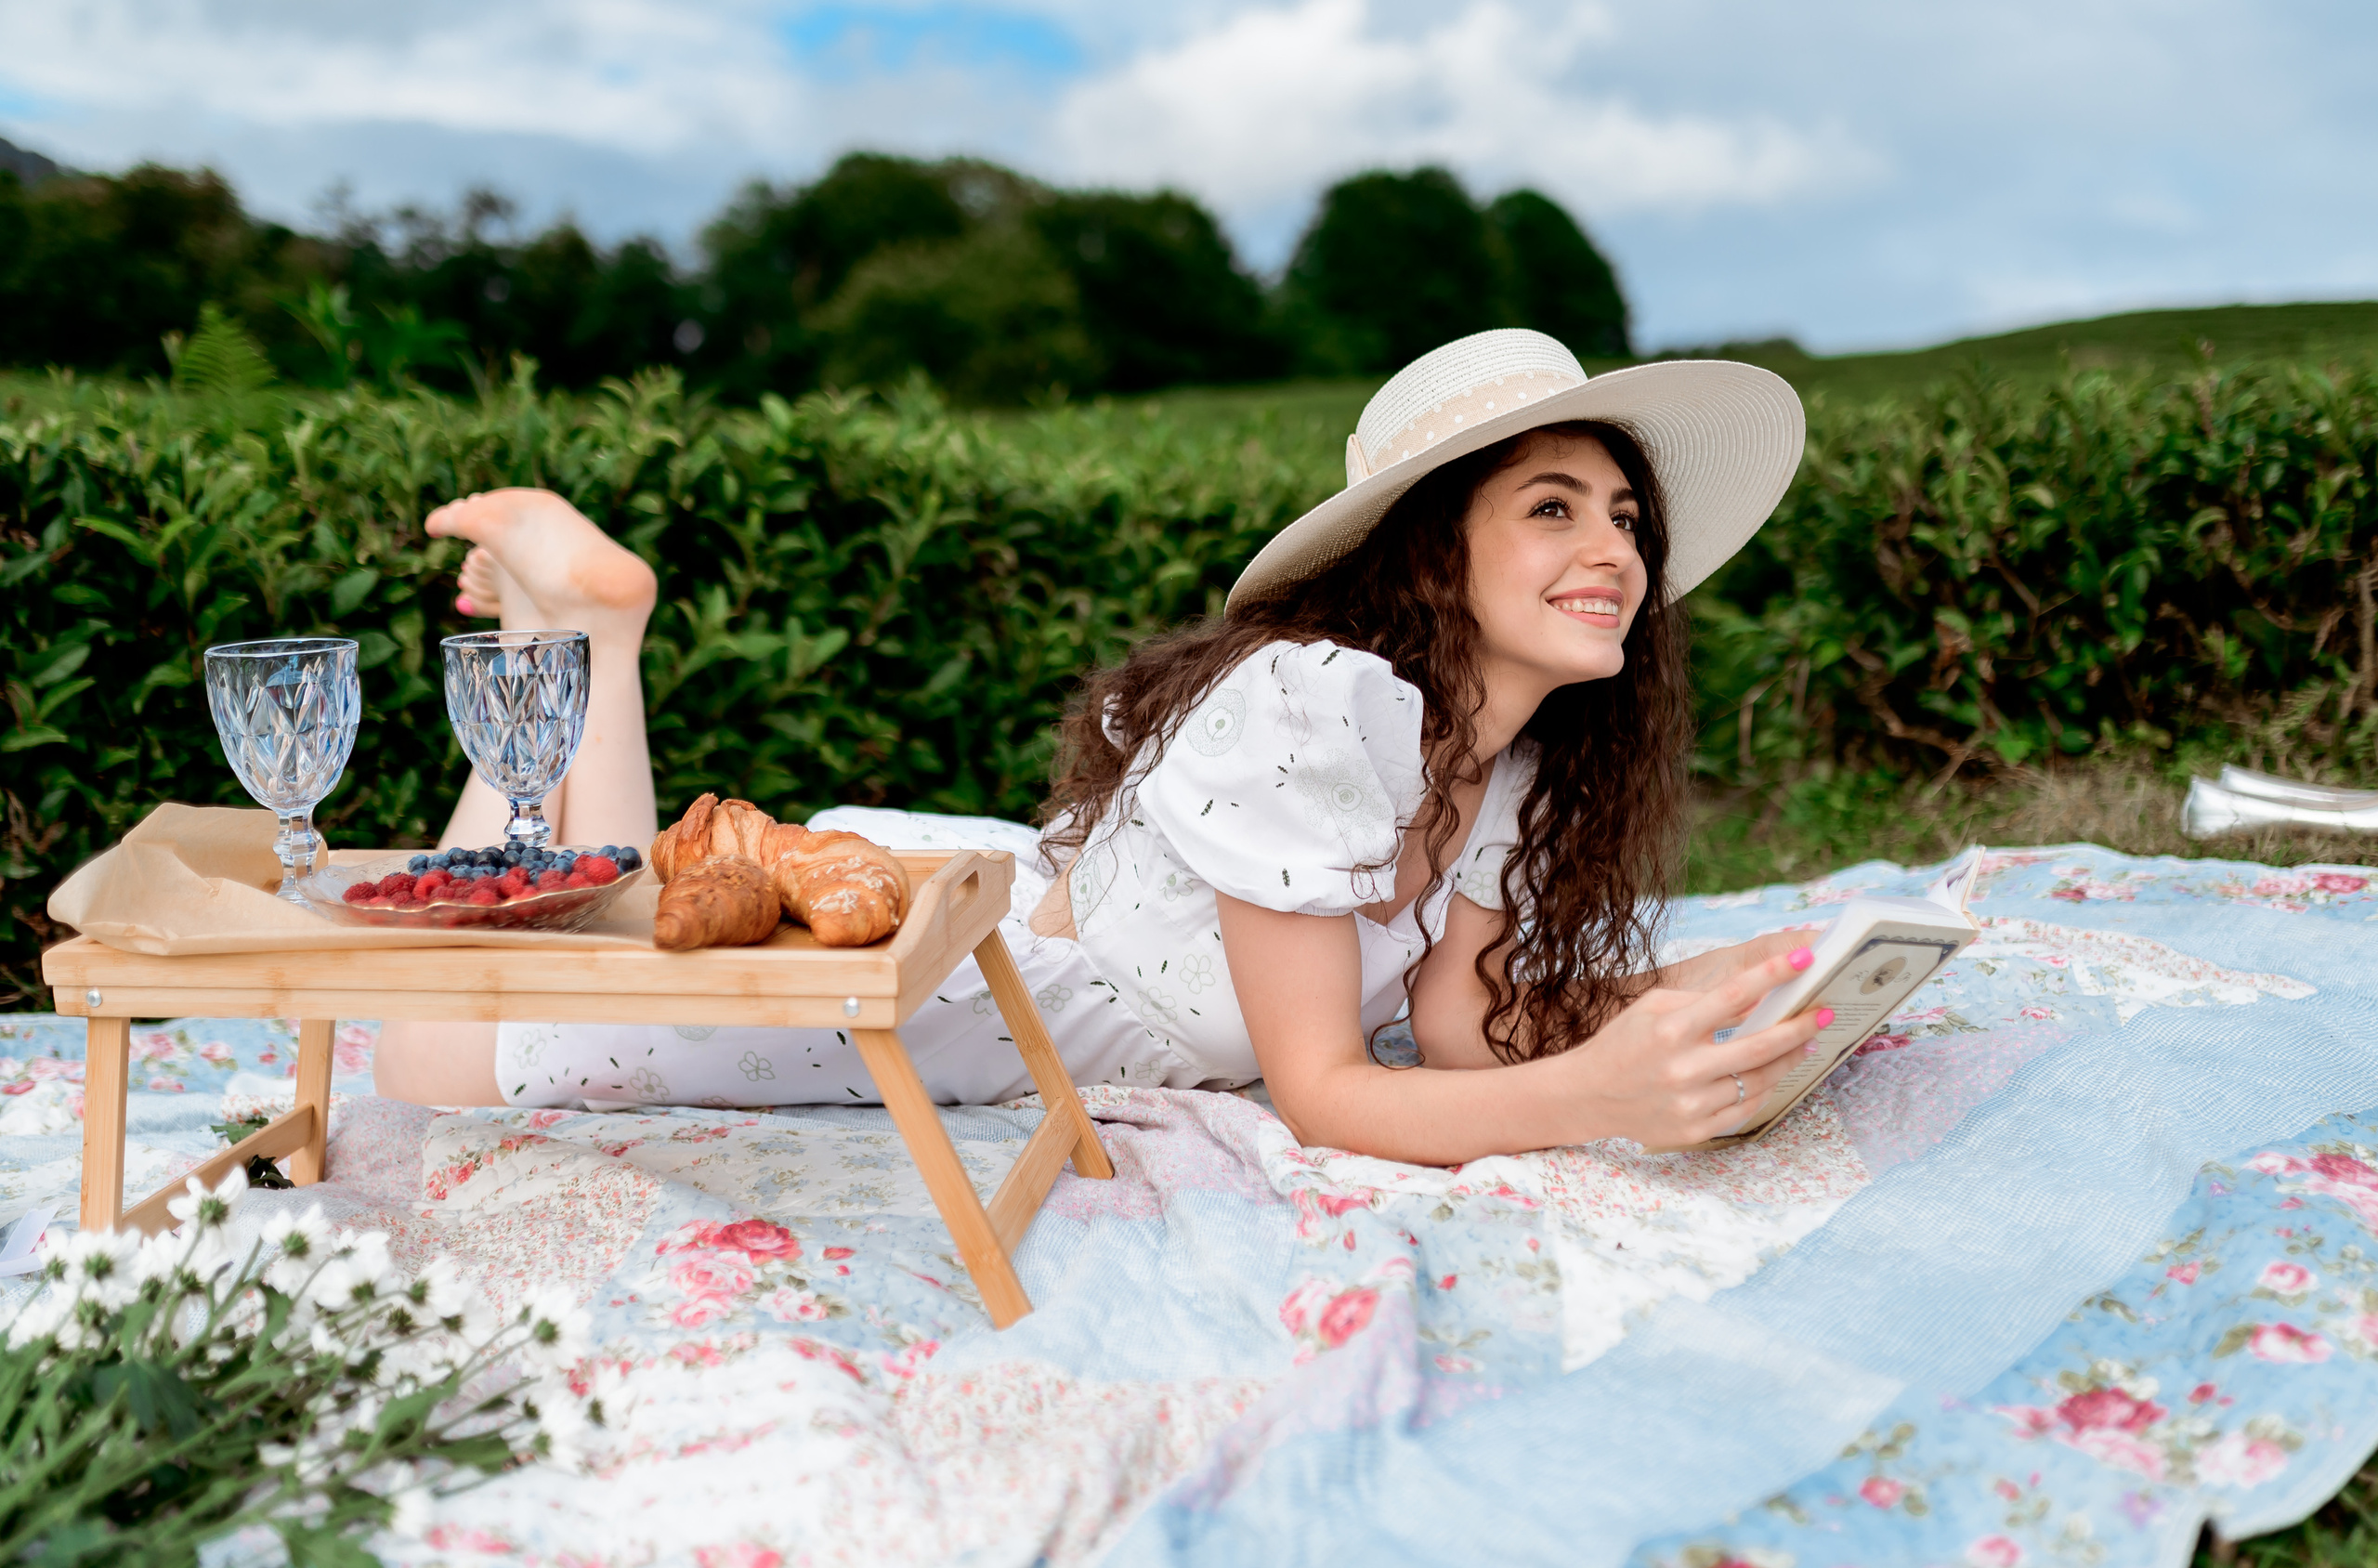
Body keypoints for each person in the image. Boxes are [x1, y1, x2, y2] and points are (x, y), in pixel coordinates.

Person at [373, 329, 1831, 1164]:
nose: (1616, 550)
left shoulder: (1512, 759)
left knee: (570, 951)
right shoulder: (1316, 703)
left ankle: (557, 639)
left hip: (1042, 911)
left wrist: (1710, 992)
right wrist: (1596, 1097)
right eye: (1555, 507)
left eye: (1627, 517)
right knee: (430, 1049)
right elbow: (1325, 1095)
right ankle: (594, 642)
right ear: (1434, 557)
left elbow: (1460, 1031)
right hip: (1009, 991)